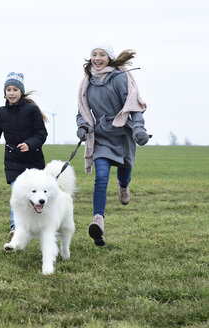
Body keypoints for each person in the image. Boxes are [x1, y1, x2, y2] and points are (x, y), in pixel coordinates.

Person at [76, 42, 150, 246]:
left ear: (109, 58)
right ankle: (98, 222)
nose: (97, 58)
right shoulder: (87, 82)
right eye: (93, 54)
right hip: (101, 136)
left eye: (102, 54)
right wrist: (82, 127)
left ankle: (123, 186)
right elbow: (81, 112)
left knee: (126, 168)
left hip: (123, 134)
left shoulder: (119, 78)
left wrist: (139, 128)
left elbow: (134, 107)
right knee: (100, 177)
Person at [0, 72, 48, 236]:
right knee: (18, 193)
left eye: (15, 89)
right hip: (13, 161)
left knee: (36, 195)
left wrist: (29, 144)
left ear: (21, 92)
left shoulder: (32, 110)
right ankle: (16, 226)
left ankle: (39, 224)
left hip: (33, 160)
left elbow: (41, 134)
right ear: (4, 92)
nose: (11, 93)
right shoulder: (0, 113)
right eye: (8, 89)